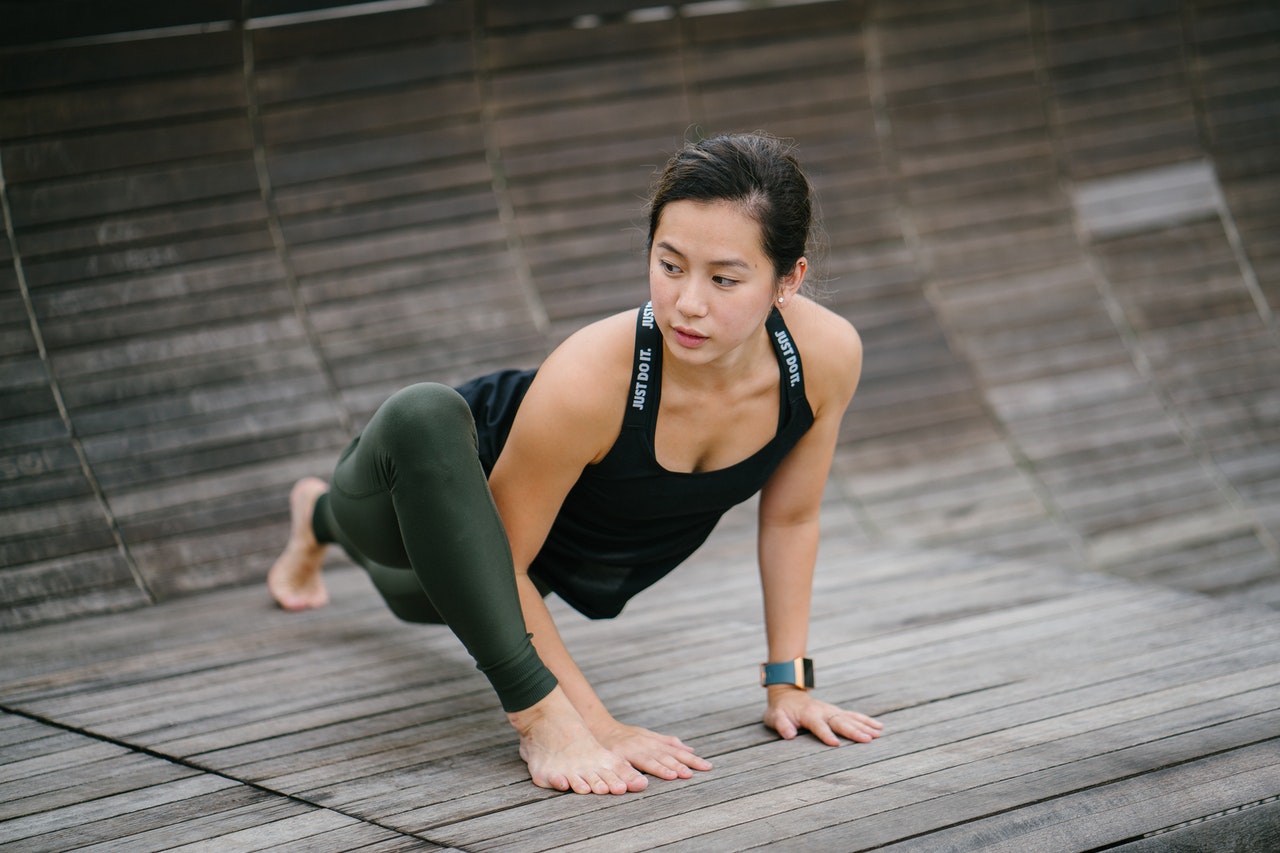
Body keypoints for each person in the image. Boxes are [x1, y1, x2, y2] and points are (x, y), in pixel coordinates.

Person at [267, 132, 884, 796]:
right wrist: (593, 723)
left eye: (725, 278)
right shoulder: (592, 375)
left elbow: (791, 519)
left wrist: (788, 685)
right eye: (669, 265)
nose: (688, 302)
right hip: (427, 480)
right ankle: (327, 512)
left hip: (531, 558)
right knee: (422, 421)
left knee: (417, 600)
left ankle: (311, 518)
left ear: (787, 279)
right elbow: (499, 559)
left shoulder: (824, 358)